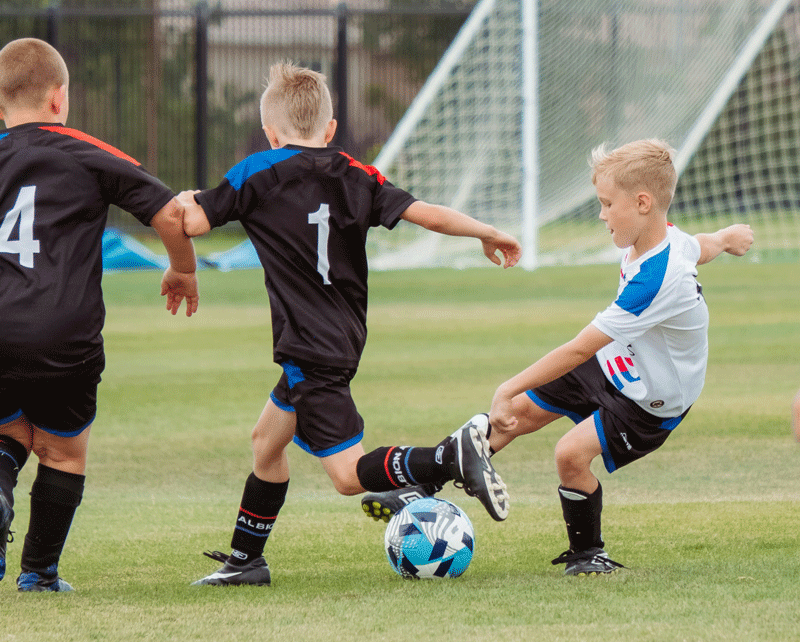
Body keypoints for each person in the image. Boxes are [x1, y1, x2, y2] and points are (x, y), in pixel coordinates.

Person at [179, 61, 521, 587]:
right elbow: (424, 212)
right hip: (341, 336)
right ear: (331, 130)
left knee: (345, 477)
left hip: (306, 346)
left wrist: (181, 202)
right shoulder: (356, 174)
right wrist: (487, 231)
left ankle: (447, 457)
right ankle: (246, 560)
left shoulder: (257, 171)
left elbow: (195, 221)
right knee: (266, 443)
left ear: (270, 134)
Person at [362, 138, 754, 576]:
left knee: (569, 454)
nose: (602, 214)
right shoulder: (664, 241)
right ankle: (422, 486)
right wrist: (726, 237)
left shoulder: (658, 280)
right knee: (520, 414)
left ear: (643, 203)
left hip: (652, 400)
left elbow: (578, 348)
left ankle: (589, 554)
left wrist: (507, 386)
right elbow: (698, 246)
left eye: (607, 204)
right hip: (617, 360)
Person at [0, 38, 199, 592]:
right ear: (60, 98)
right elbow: (169, 213)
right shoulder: (87, 151)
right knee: (62, 451)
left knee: (8, 430)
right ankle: (38, 574)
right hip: (64, 330)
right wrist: (182, 269)